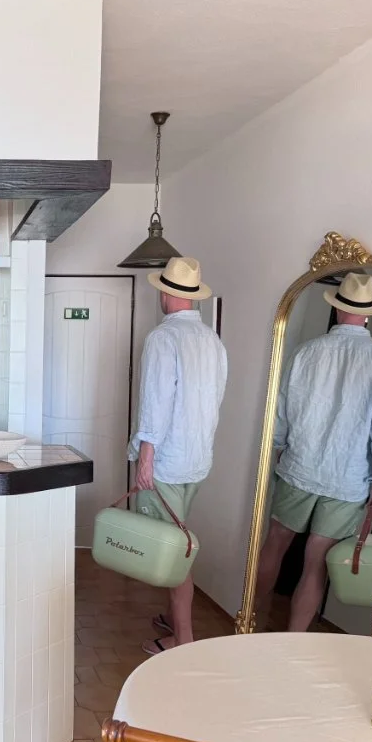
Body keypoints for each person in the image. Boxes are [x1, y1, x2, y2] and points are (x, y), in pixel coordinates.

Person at [254, 272, 372, 631]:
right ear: (368, 315)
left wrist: (278, 446)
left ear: (336, 310)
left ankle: (251, 621)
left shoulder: (306, 352)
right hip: (347, 477)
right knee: (316, 562)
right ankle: (294, 640)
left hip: (298, 465)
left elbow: (282, 410)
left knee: (274, 545)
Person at [131, 256, 228, 656]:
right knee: (179, 535)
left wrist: (146, 457)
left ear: (167, 293)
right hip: (197, 459)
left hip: (167, 461)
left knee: (175, 551)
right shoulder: (212, 341)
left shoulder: (163, 338)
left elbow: (157, 403)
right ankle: (174, 619)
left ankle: (182, 641)